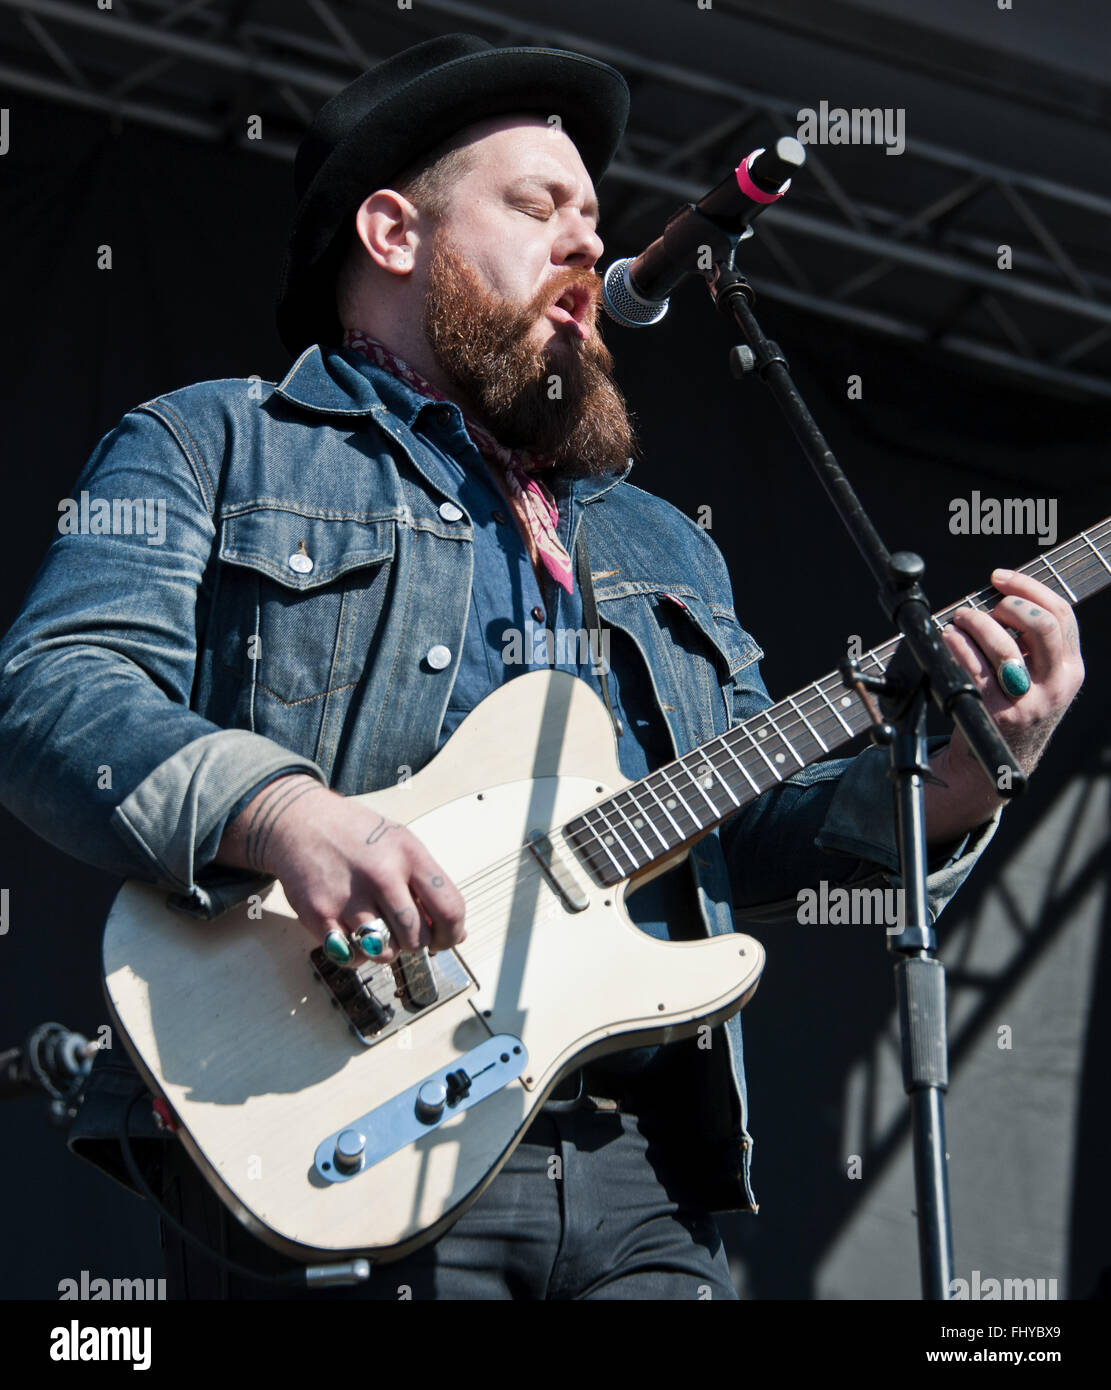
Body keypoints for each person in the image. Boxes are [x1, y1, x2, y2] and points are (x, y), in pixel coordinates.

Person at [0, 34, 1084, 1300]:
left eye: (595, 217)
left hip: (642, 1171)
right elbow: (57, 689)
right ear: (394, 234)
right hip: (342, 1120)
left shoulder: (656, 540)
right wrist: (282, 809)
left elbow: (739, 830)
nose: (589, 246)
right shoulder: (219, 442)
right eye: (537, 207)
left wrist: (967, 778)